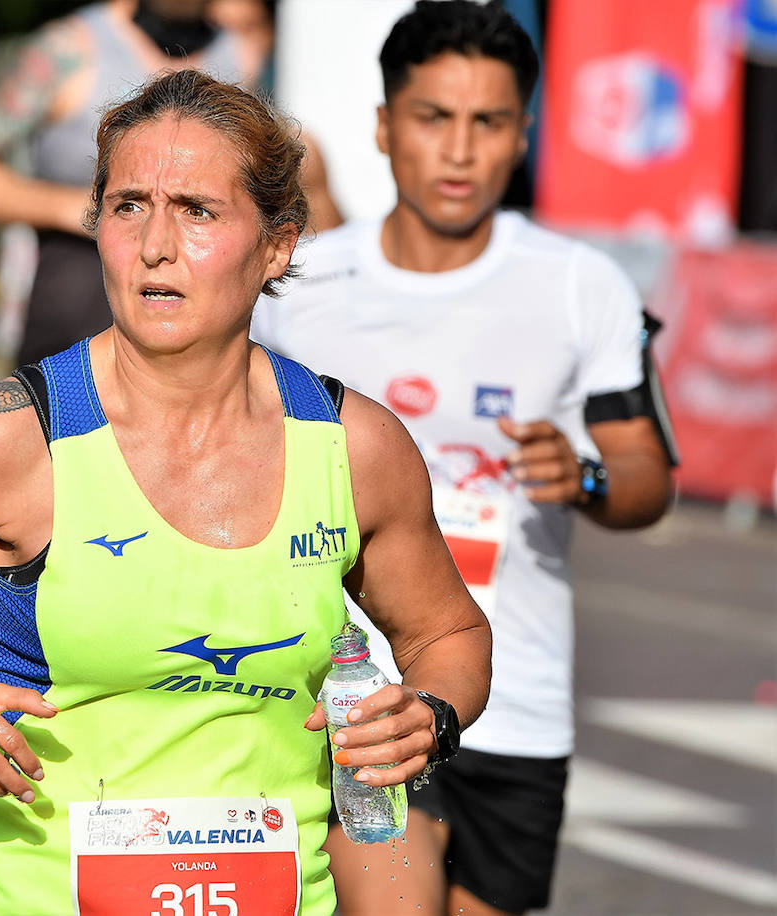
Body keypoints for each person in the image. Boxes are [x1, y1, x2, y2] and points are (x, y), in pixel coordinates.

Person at [0, 69, 489, 915]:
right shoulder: (12, 434)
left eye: (198, 212)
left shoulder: (353, 446)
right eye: (129, 206)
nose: (155, 247)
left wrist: (430, 714)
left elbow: (448, 628)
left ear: (278, 245)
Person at [251, 4, 676, 915]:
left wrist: (587, 477)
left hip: (517, 704)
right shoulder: (300, 287)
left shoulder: (580, 285)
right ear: (383, 126)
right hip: (357, 695)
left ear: (522, 135)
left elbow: (647, 476)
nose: (458, 150)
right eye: (433, 117)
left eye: (488, 123)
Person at [0, 0, 341, 367]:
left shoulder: (245, 54)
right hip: (72, 329)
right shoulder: (72, 47)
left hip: (200, 354)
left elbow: (302, 194)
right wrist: (84, 208)